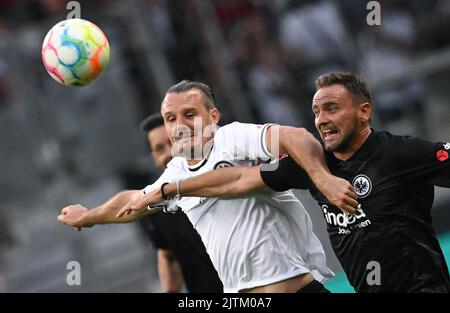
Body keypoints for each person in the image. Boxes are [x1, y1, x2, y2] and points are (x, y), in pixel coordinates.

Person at [128, 73, 450, 293]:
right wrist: (173, 188)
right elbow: (240, 179)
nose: (321, 119)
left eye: (332, 109)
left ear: (364, 112)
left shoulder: (400, 153)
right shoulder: (311, 164)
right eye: (316, 111)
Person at [59, 80, 358, 293]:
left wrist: (323, 178)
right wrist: (89, 217)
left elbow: (298, 137)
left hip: (294, 285)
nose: (179, 125)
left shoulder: (231, 139)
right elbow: (132, 202)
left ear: (212, 117)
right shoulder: (174, 172)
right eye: (171, 118)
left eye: (190, 115)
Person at [139, 114, 223, 292]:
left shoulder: (219, 176)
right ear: (154, 157)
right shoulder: (155, 205)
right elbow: (167, 254)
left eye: (172, 142)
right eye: (160, 149)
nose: (169, 153)